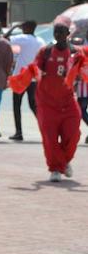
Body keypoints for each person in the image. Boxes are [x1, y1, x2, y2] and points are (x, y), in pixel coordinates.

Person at [35, 23, 82, 182]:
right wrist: (36, 73)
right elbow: (36, 68)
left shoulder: (75, 52)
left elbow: (83, 70)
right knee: (50, 138)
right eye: (56, 32)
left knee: (74, 134)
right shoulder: (46, 51)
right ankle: (55, 168)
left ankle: (64, 161)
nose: (59, 35)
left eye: (62, 32)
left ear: (68, 33)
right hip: (47, 102)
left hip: (68, 101)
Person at [6, 20, 43, 141]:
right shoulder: (40, 40)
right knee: (33, 105)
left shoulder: (24, 38)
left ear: (26, 27)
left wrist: (14, 27)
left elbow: (5, 38)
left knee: (17, 104)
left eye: (23, 27)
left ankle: (19, 132)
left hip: (21, 77)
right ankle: (45, 128)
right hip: (33, 77)